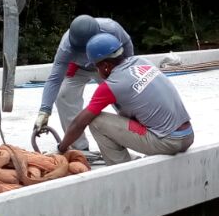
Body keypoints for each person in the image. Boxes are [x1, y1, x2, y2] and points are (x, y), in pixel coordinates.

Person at [55, 33, 194, 164]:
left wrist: (61, 148)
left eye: (96, 67)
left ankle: (121, 169)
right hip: (187, 135)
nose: (96, 71)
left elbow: (80, 122)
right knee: (124, 113)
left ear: (105, 66)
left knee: (96, 121)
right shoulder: (141, 61)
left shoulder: (111, 85)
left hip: (169, 142)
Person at [33, 15, 135, 152]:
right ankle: (80, 147)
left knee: (122, 96)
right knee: (63, 96)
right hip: (79, 68)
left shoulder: (111, 29)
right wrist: (44, 111)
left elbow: (127, 47)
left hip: (107, 64)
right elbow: (54, 79)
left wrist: (126, 74)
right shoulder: (67, 46)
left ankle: (134, 134)